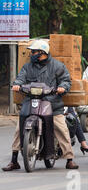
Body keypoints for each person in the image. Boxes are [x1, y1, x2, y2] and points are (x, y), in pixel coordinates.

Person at [3, 40, 79, 171]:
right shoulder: (27, 67)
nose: (31, 54)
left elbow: (65, 81)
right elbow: (21, 78)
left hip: (52, 103)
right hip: (31, 101)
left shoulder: (57, 66)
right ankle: (14, 160)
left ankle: (69, 159)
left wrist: (62, 87)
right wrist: (17, 85)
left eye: (34, 52)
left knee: (61, 128)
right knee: (18, 129)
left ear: (42, 53)